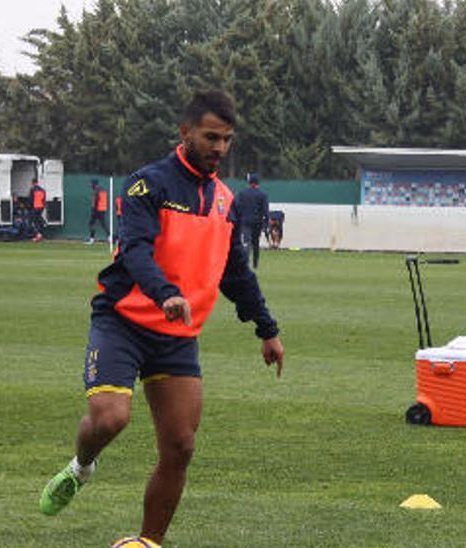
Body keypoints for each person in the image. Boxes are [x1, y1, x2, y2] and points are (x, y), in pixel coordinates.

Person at [39, 90, 285, 546]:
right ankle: (82, 466)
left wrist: (267, 329)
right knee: (110, 418)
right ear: (186, 132)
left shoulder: (226, 201)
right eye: (211, 137)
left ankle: (147, 542)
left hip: (176, 336)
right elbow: (134, 249)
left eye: (227, 140)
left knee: (181, 446)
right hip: (124, 322)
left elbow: (236, 274)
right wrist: (165, 293)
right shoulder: (147, 184)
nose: (219, 148)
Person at [233, 172, 269, 269]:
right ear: (258, 183)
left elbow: (237, 207)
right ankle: (255, 264)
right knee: (256, 242)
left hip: (245, 221)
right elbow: (265, 211)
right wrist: (266, 224)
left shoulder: (242, 193)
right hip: (257, 222)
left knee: (246, 242)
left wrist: (237, 220)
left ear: (249, 182)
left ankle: (245, 263)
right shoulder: (263, 195)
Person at [88, 179, 109, 244]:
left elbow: (96, 200)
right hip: (102, 209)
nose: (91, 185)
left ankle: (92, 239)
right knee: (104, 224)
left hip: (97, 210)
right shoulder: (103, 190)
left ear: (94, 184)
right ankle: (109, 237)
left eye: (92, 184)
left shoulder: (96, 190)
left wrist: (94, 208)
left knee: (91, 224)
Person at [30, 177, 47, 242]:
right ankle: (42, 223)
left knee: (33, 222)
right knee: (38, 220)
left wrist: (29, 207)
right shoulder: (42, 190)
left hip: (35, 207)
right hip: (41, 207)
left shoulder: (33, 190)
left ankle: (38, 235)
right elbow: (43, 199)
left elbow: (31, 200)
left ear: (33, 183)